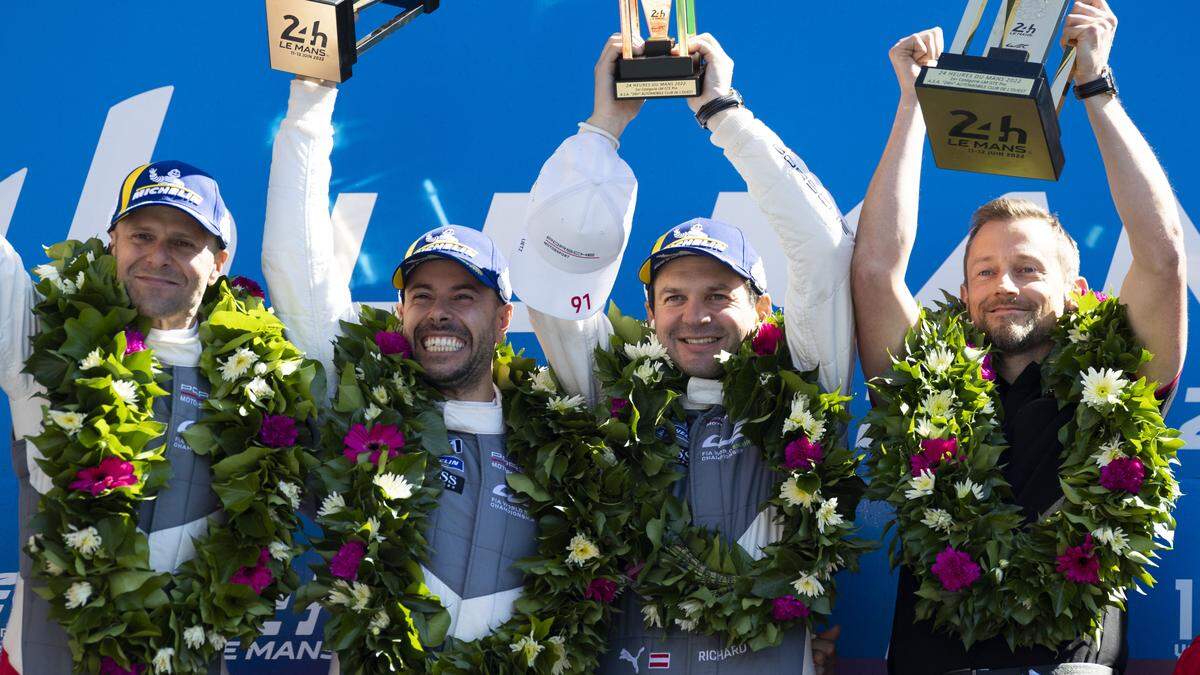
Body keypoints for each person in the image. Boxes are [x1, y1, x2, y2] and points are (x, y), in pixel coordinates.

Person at [851, 1, 1187, 672]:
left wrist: (1095, 86)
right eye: (985, 270)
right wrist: (914, 105)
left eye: (1028, 269)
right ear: (964, 290)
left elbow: (1164, 256)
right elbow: (875, 268)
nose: (1005, 283)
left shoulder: (1120, 379)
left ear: (1073, 288)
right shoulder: (925, 379)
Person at [509, 32, 854, 675]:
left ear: (763, 309)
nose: (694, 316)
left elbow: (824, 251)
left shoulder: (808, 384)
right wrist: (602, 129)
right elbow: (557, 294)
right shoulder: (612, 401)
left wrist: (724, 113)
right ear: (650, 315)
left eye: (718, 293)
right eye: (673, 297)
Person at [261, 76, 538, 667]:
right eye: (421, 295)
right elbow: (297, 267)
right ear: (401, 311)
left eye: (464, 295)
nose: (439, 311)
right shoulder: (359, 413)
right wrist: (309, 104)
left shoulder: (557, 437)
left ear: (505, 315)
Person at [0, 161, 236, 674]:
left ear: (218, 261)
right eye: (142, 235)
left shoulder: (250, 384)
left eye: (182, 242)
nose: (157, 257)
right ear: (113, 243)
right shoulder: (47, 343)